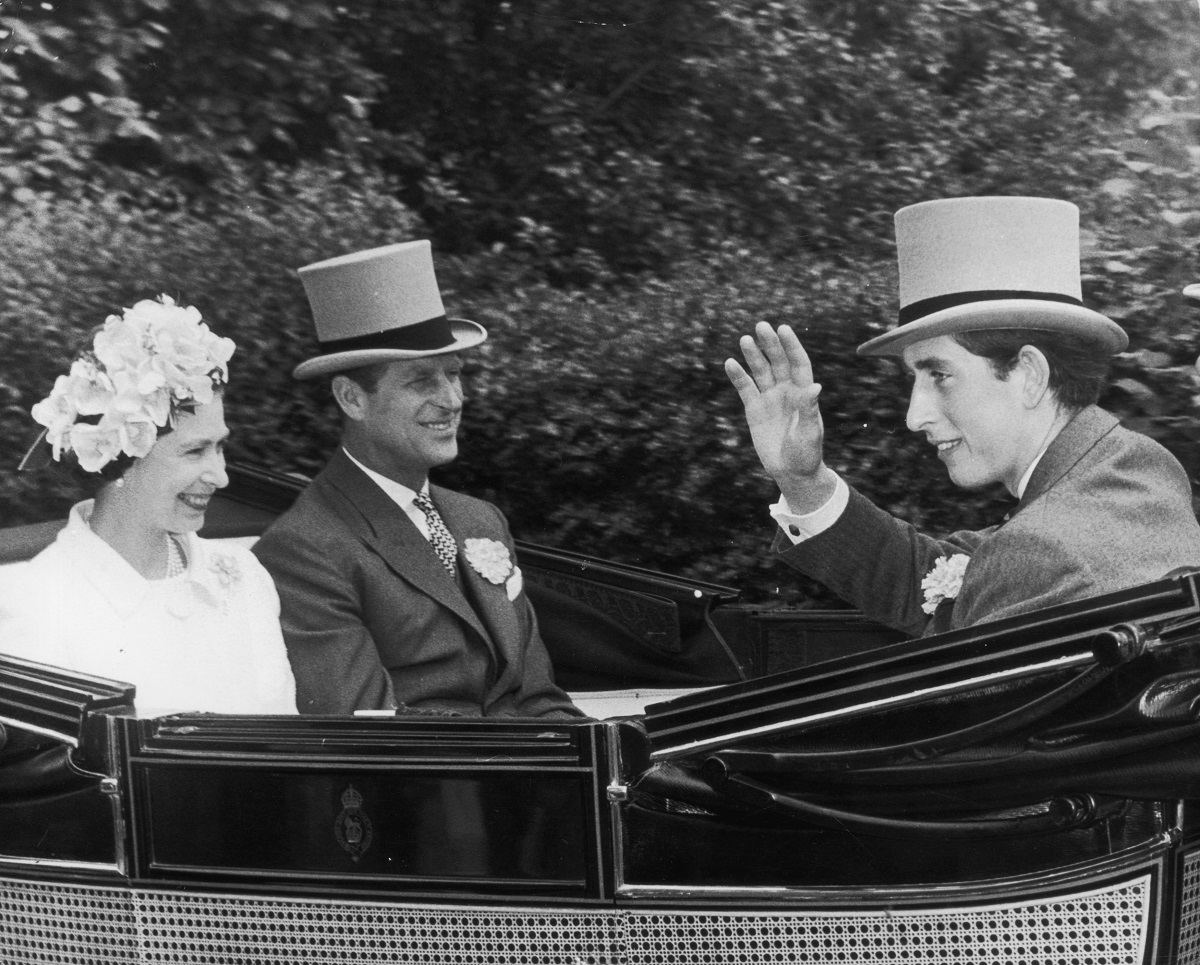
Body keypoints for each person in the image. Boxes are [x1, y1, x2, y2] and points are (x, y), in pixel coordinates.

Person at [726, 196, 1200, 637]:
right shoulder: (1137, 468)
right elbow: (949, 580)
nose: (914, 417)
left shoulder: (1047, 552)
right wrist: (802, 480)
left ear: (1030, 373)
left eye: (939, 373)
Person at [252, 241, 583, 717]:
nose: (452, 400)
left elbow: (539, 698)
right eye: (422, 381)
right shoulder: (303, 551)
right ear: (351, 399)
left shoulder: (479, 519)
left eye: (455, 375)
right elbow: (372, 739)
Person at [0, 295, 297, 716]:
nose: (221, 476)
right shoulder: (32, 603)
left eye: (220, 448)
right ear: (119, 455)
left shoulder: (243, 577)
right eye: (195, 452)